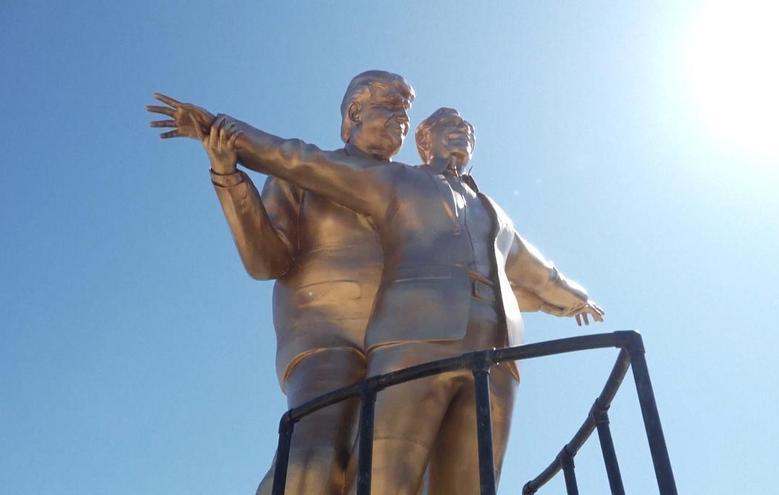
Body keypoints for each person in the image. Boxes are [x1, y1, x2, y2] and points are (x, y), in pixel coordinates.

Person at [193, 106, 604, 494]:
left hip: (497, 356)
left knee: (472, 482)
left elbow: (538, 271)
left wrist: (574, 300)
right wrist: (224, 133)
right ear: (424, 142)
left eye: (469, 130)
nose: (462, 132)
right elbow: (304, 161)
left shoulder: (496, 213)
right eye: (450, 126)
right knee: (382, 474)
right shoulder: (399, 182)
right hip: (414, 338)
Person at [147, 70, 415, 495]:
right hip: (327, 342)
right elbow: (265, 260)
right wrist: (227, 173)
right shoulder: (302, 174)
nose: (402, 117)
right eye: (390, 106)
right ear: (355, 112)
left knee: (399, 471)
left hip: (403, 343)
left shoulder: (416, 191)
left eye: (406, 110)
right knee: (315, 457)